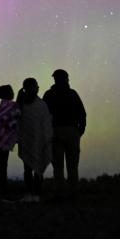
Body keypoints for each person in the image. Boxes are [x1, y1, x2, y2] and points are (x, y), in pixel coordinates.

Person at [42, 69, 86, 198]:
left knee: (58, 165)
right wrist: (80, 130)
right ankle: (73, 193)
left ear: (55, 79)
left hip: (56, 132)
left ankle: (61, 193)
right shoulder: (72, 94)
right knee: (72, 165)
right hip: (71, 131)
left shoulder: (49, 94)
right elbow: (82, 113)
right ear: (66, 78)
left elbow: (44, 115)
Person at [15, 77, 53, 202]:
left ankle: (36, 194)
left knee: (37, 169)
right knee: (27, 169)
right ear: (28, 88)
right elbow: (16, 121)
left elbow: (47, 123)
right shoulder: (20, 105)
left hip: (39, 141)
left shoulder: (41, 105)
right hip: (26, 141)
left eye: (36, 86)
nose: (37, 88)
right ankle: (29, 194)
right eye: (35, 86)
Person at [0, 84, 20, 202]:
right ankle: (2, 196)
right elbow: (14, 119)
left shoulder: (2, 106)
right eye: (11, 91)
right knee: (1, 169)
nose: (13, 93)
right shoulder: (10, 105)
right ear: (7, 93)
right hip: (2, 142)